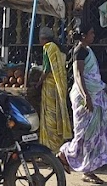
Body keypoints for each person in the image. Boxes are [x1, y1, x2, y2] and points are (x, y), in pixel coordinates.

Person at [58, 21, 107, 184]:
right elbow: (78, 76)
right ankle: (65, 154)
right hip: (85, 97)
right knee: (83, 134)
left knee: (92, 135)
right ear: (83, 35)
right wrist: (86, 97)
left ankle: (88, 170)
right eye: (91, 33)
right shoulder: (79, 51)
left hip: (93, 94)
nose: (93, 35)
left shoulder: (87, 50)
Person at [38, 26, 71, 154]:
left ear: (43, 38)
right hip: (58, 85)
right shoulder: (57, 48)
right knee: (56, 114)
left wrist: (39, 82)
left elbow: (47, 69)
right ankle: (57, 145)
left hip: (50, 85)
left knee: (50, 115)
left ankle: (50, 147)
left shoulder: (49, 47)